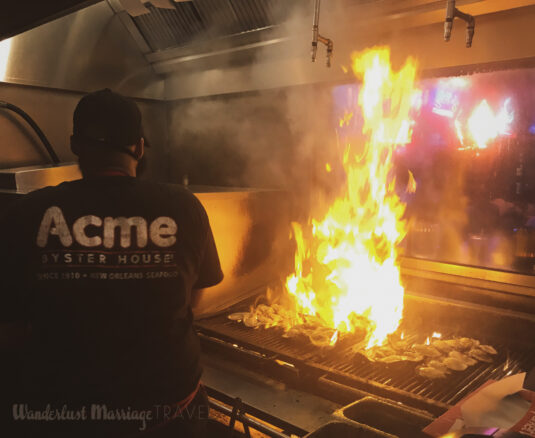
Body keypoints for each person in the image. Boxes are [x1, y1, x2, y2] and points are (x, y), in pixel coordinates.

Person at [0, 89, 223, 437]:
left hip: (62, 418)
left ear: (75, 144)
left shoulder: (27, 212)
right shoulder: (184, 207)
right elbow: (196, 301)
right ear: (138, 147)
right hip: (170, 416)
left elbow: (9, 325)